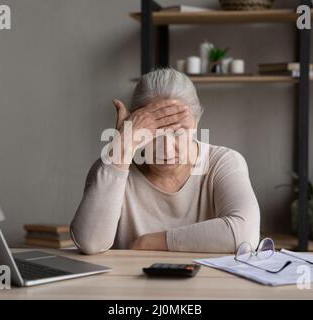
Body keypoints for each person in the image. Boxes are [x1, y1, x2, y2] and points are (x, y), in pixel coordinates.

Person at [70, 68, 260, 254]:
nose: (166, 150)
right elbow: (90, 243)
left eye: (178, 132)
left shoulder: (223, 162)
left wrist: (148, 242)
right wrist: (122, 146)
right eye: (153, 134)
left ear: (196, 121)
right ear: (134, 124)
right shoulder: (112, 167)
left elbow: (244, 236)